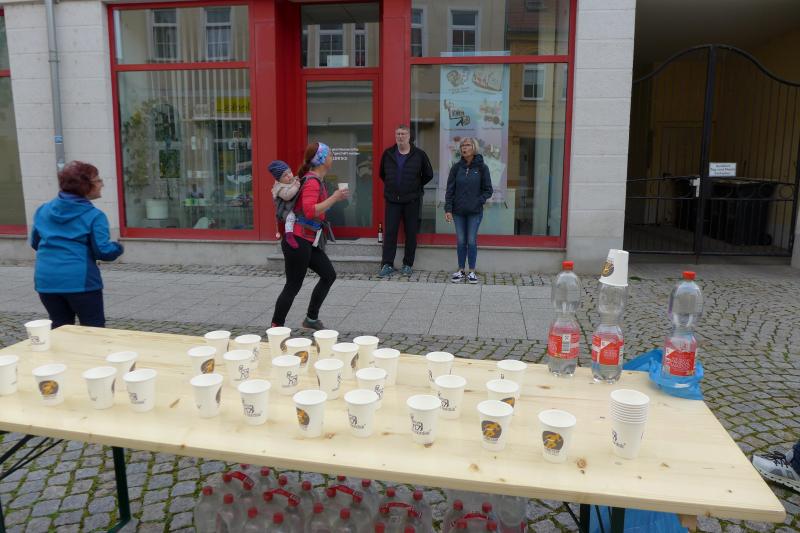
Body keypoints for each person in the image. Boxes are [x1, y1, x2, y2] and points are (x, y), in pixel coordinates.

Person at [30, 160, 124, 328]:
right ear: (84, 186)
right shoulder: (94, 215)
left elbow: (35, 242)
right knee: (93, 329)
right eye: (98, 180)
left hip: (46, 281)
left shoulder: (43, 210)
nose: (102, 184)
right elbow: (104, 252)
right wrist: (118, 247)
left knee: (60, 328)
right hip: (80, 282)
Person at [271, 142, 349, 330]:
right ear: (321, 159)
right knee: (293, 285)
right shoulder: (312, 181)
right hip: (297, 241)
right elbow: (309, 211)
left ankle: (311, 319)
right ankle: (276, 327)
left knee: (328, 275)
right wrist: (335, 197)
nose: (332, 157)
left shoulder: (315, 180)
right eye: (329, 154)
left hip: (307, 240)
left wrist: (334, 199)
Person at [378, 125, 433, 277]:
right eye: (398, 134)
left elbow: (428, 174)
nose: (400, 136)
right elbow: (382, 173)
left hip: (412, 200)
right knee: (390, 233)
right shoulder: (388, 154)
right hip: (392, 200)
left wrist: (415, 186)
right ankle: (387, 264)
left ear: (409, 136)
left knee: (411, 233)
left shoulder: (419, 154)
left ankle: (407, 265)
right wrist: (392, 187)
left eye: (403, 134)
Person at [444, 138, 493, 284]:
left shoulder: (482, 168)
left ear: (474, 148)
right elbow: (450, 190)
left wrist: (478, 201)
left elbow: (488, 190)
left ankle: (472, 271)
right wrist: (448, 209)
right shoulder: (456, 168)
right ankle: (461, 270)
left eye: (467, 145)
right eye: (462, 146)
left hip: (474, 212)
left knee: (471, 241)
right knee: (461, 241)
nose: (464, 148)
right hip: (458, 211)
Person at [269, 160, 301, 248]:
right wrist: (296, 186)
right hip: (284, 209)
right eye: (285, 175)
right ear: (279, 179)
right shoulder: (279, 187)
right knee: (290, 217)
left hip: (292, 206)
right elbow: (287, 196)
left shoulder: (292, 180)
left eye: (289, 172)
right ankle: (289, 235)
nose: (289, 176)